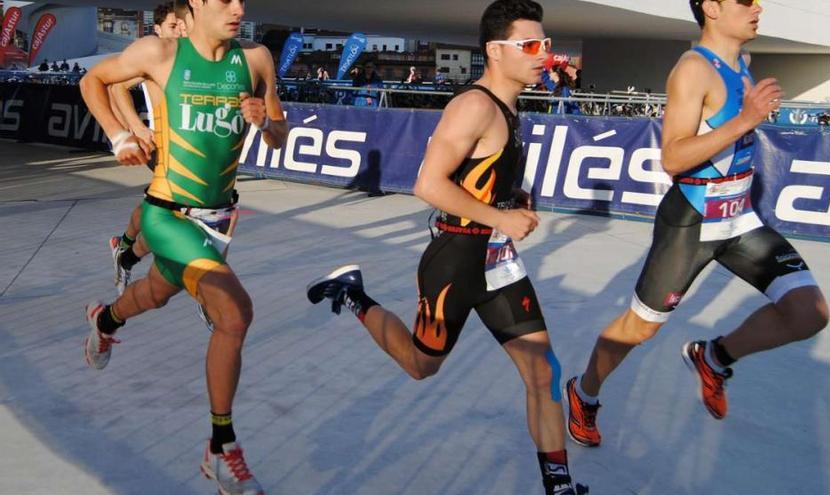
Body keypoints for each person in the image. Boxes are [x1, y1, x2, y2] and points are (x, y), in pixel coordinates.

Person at [308, 1, 587, 493]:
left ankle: (559, 487)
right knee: (421, 366)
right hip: (455, 260)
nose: (542, 54)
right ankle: (352, 294)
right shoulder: (473, 105)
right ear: (495, 52)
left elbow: (476, 177)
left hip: (499, 264)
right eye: (530, 45)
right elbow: (429, 185)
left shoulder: (510, 104)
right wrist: (500, 214)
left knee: (542, 372)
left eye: (544, 44)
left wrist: (508, 197)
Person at [565, 0, 829, 449]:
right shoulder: (692, 69)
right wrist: (746, 119)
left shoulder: (743, 63)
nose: (758, 6)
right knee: (641, 327)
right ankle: (584, 392)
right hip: (691, 220)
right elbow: (673, 156)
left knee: (809, 312)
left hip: (739, 217)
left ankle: (714, 357)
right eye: (745, 0)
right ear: (711, 7)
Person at [79, 0, 288, 493]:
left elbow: (279, 134)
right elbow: (93, 82)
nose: (237, 8)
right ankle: (221, 446)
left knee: (155, 292)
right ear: (195, 4)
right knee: (235, 314)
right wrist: (119, 135)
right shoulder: (160, 52)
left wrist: (265, 120)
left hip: (218, 219)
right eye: (223, 0)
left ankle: (105, 319)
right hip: (167, 213)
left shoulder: (255, 59)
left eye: (241, 0)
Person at [107, 1, 183, 297]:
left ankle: (124, 248)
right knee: (171, 216)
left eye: (181, 26)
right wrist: (135, 128)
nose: (178, 32)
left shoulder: (188, 54)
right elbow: (115, 87)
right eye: (172, 27)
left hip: (186, 149)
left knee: (158, 209)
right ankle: (203, 286)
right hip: (162, 148)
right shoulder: (155, 57)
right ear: (157, 28)